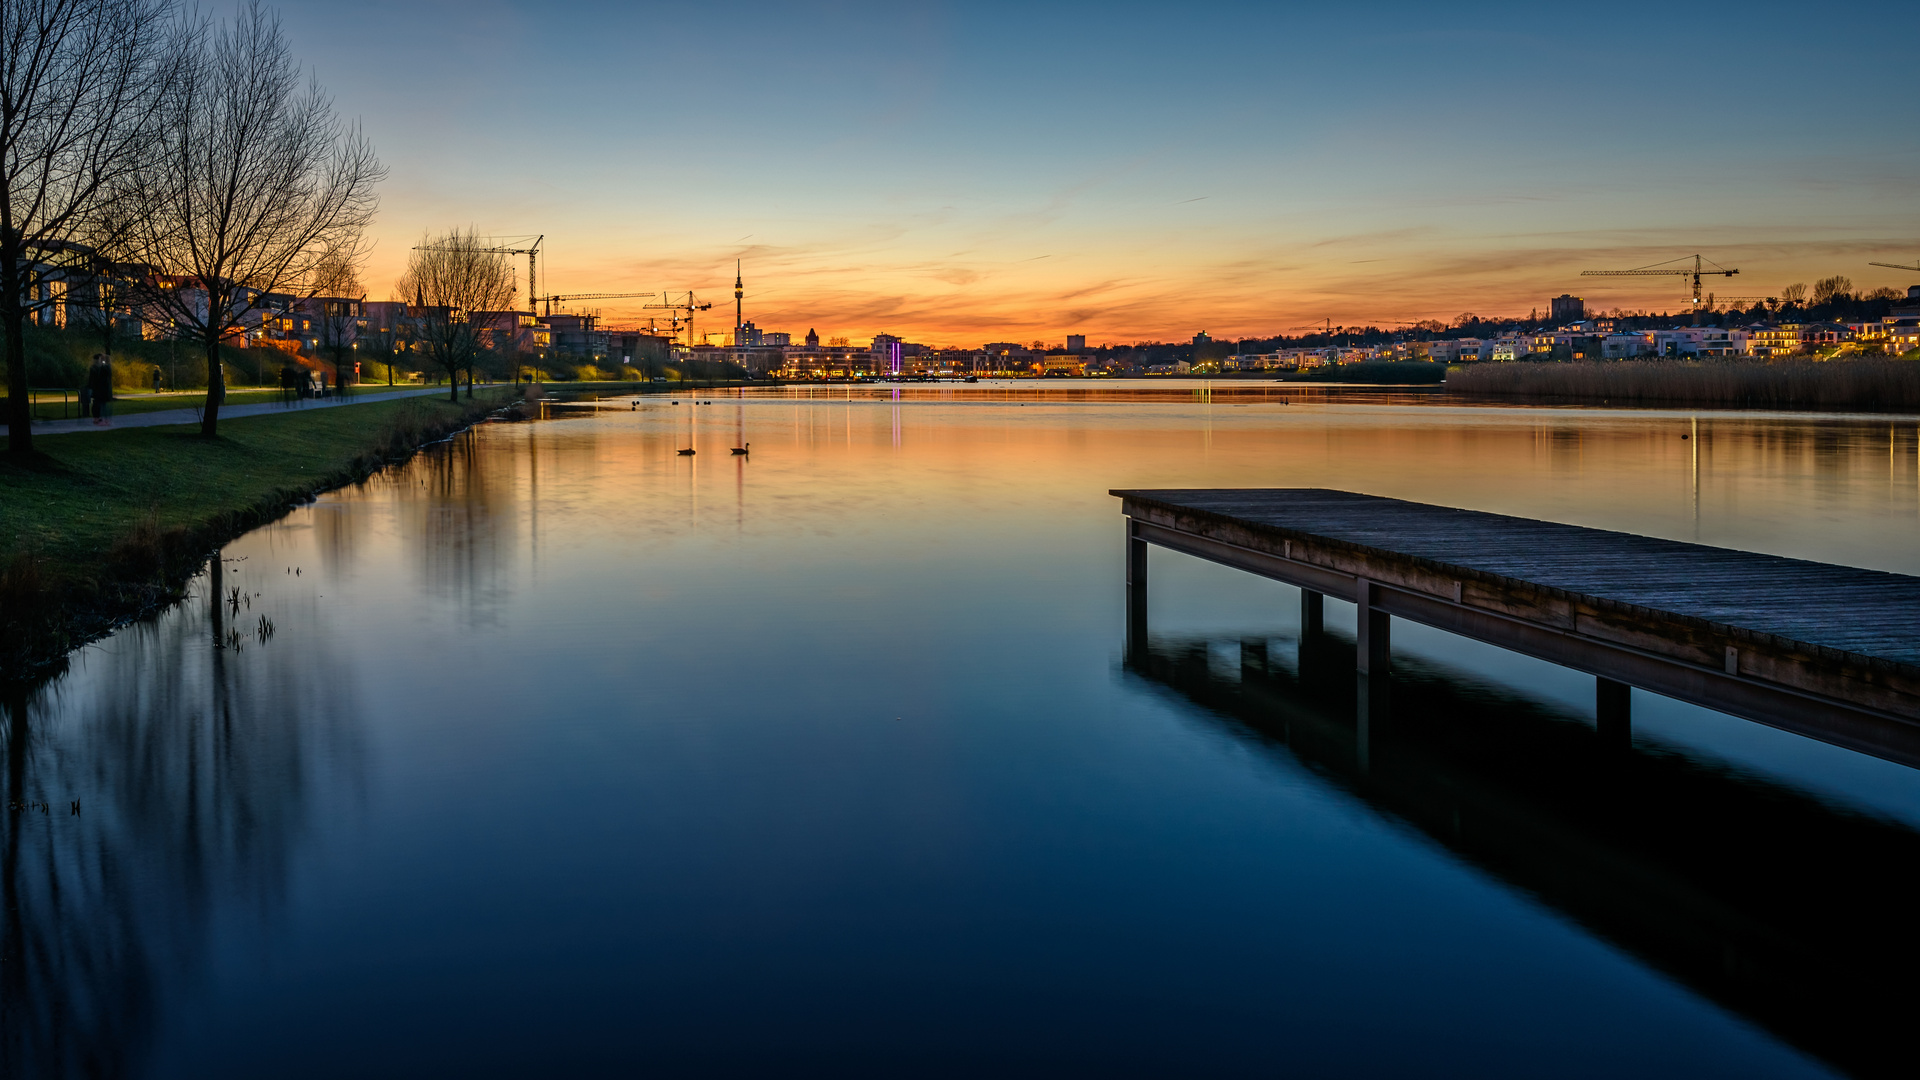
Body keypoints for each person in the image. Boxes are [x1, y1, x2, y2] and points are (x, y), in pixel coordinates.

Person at [87, 353, 113, 426]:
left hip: (99, 389)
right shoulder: (102, 368)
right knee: (100, 405)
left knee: (99, 405)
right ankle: (100, 419)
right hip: (100, 390)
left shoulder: (99, 368)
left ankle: (100, 419)